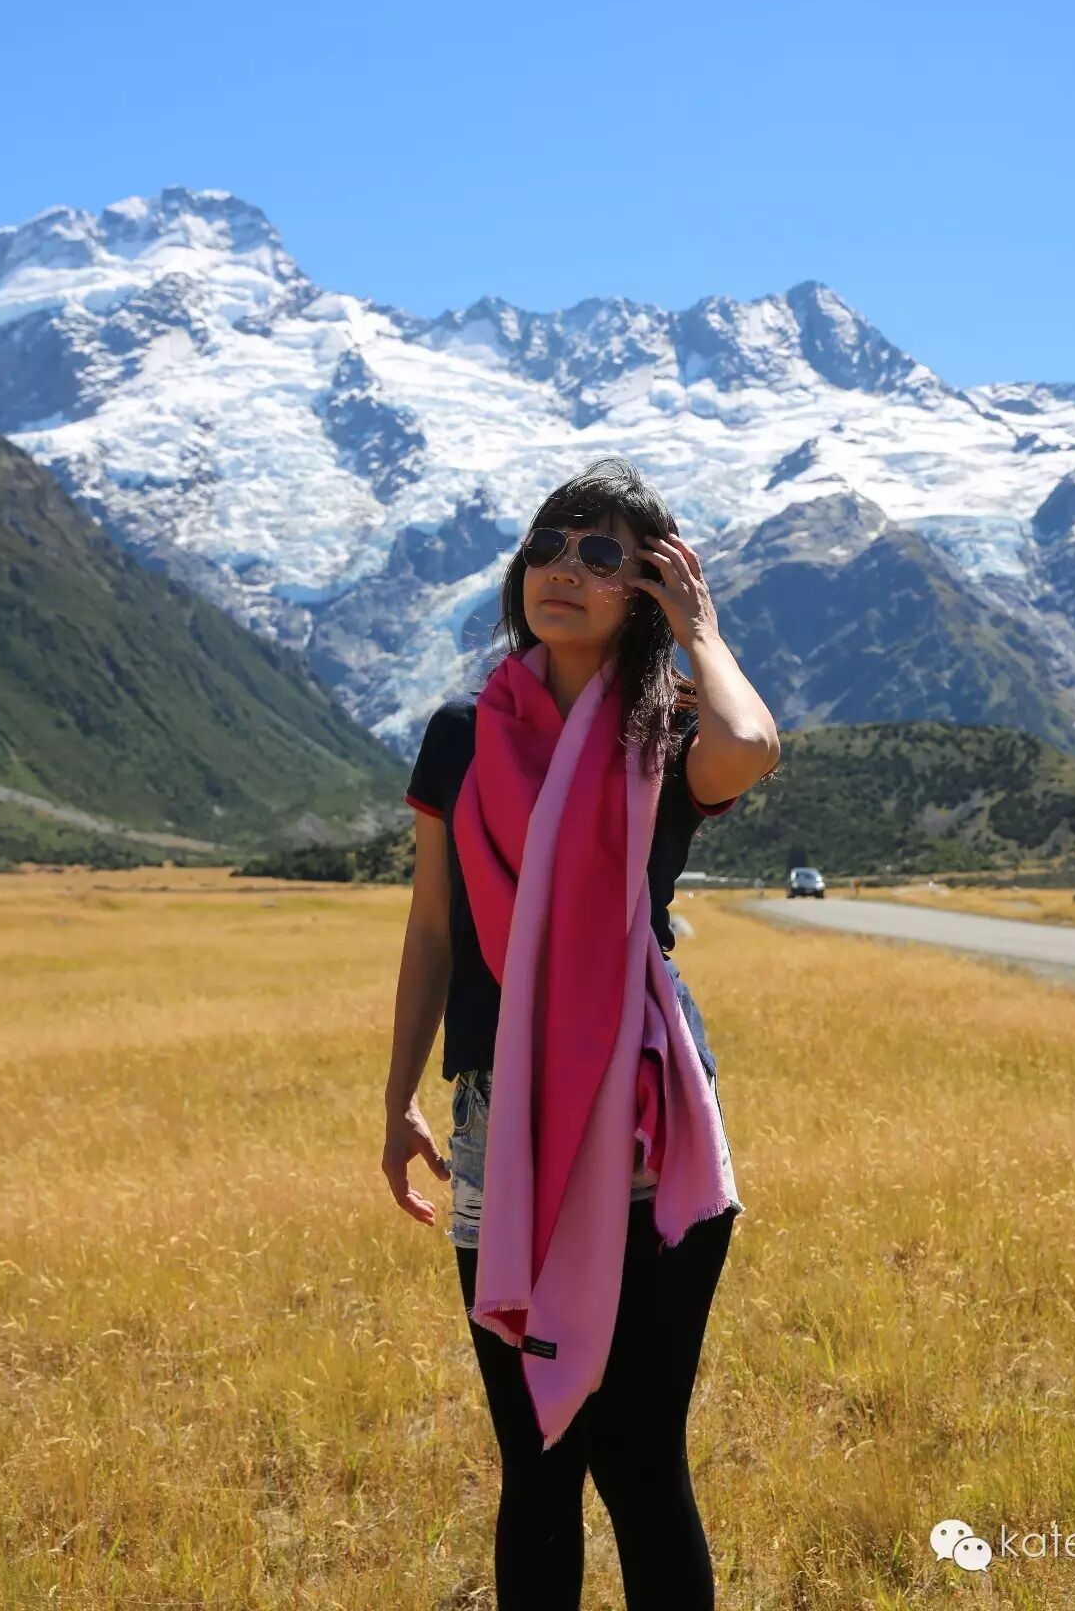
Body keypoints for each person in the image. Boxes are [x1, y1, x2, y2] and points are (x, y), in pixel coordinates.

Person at [382, 454, 780, 1610]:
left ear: (647, 587)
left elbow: (750, 745)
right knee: (537, 1465)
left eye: (602, 553)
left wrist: (700, 631)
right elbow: (431, 929)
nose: (564, 568)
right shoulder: (461, 734)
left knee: (640, 1461)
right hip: (494, 1118)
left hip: (644, 1123)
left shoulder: (667, 730)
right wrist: (396, 1098)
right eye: (548, 546)